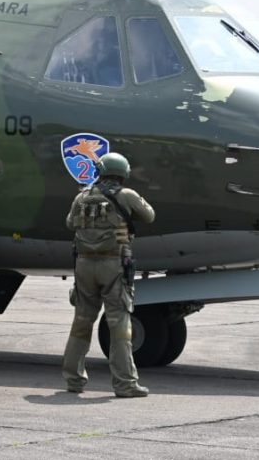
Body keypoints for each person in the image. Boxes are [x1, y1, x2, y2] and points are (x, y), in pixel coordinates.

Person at [63, 152, 155, 397]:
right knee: (119, 324)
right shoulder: (126, 195)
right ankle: (125, 383)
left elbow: (70, 223)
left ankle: (73, 379)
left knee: (81, 321)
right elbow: (149, 215)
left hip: (83, 266)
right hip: (113, 265)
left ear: (101, 172)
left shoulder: (81, 197)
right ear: (123, 173)